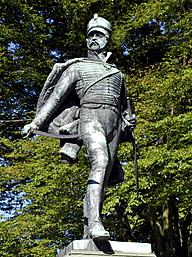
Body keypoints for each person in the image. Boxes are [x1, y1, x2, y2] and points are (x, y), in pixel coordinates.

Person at [22, 14, 136, 240]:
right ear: (86, 40)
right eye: (91, 35)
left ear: (107, 39)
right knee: (100, 162)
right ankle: (95, 223)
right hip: (89, 117)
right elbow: (55, 98)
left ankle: (89, 229)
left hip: (113, 123)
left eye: (100, 35)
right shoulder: (77, 68)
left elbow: (124, 109)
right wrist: (36, 122)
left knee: (103, 176)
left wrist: (128, 122)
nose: (95, 39)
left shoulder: (118, 74)